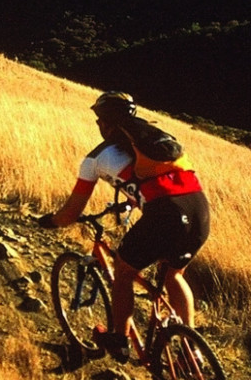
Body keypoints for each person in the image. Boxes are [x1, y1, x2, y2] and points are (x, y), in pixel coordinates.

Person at [37, 91, 211, 363]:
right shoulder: (151, 141)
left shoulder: (95, 159)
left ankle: (119, 340)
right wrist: (130, 203)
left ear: (104, 123)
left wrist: (51, 221)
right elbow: (148, 183)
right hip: (199, 209)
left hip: (165, 214)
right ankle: (192, 352)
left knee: (124, 269)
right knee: (174, 274)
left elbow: (71, 213)